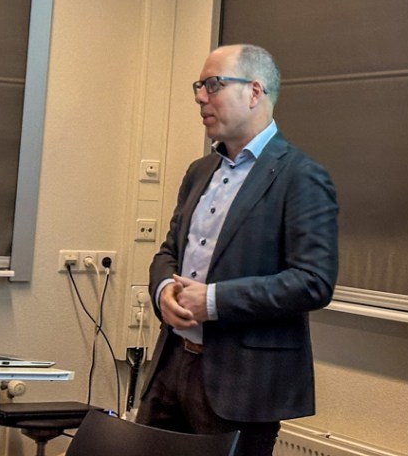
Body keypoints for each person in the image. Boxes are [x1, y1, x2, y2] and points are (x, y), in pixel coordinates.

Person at [136, 44, 339, 456]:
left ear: (254, 92)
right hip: (172, 365)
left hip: (242, 384)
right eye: (198, 86)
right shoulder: (200, 171)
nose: (200, 97)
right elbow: (168, 252)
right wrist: (163, 292)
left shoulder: (301, 177)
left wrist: (213, 301)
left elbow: (313, 282)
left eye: (213, 84)